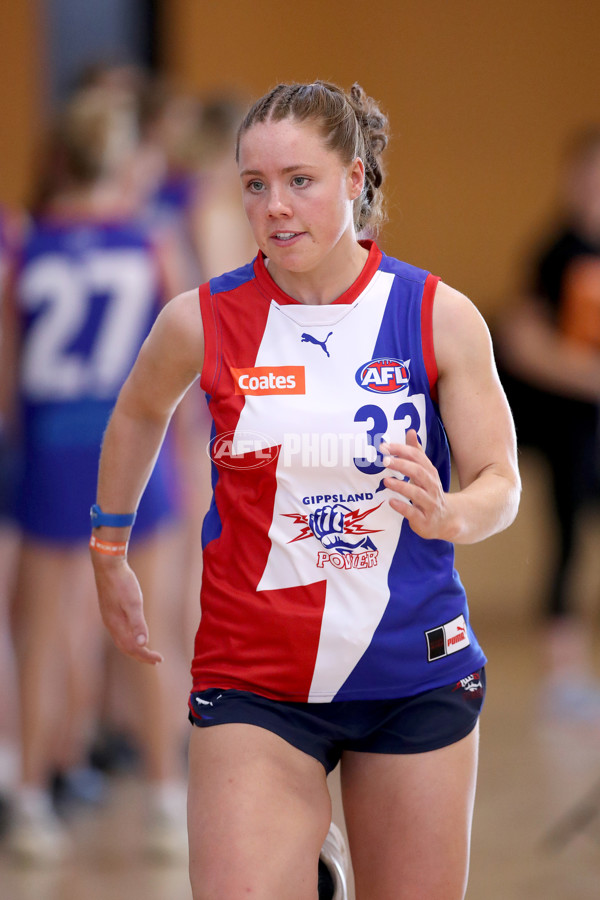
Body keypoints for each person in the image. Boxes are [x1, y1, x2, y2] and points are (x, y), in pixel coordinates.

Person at [90, 80, 521, 900]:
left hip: (413, 672)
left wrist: (452, 511)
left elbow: (500, 481)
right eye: (256, 185)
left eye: (300, 181)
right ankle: (300, 853)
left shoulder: (434, 313)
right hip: (256, 681)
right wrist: (110, 549)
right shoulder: (202, 319)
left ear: (355, 180)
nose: (276, 208)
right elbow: (137, 413)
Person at [4, 84, 190, 865]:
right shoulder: (151, 242)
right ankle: (165, 798)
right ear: (120, 162)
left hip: (49, 451)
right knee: (152, 634)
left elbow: (8, 375)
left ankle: (34, 799)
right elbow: (180, 366)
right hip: (135, 454)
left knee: (40, 638)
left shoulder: (21, 246)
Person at [495, 127, 600, 718]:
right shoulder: (556, 251)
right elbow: (524, 338)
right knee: (566, 536)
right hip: (566, 421)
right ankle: (563, 674)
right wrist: (584, 376)